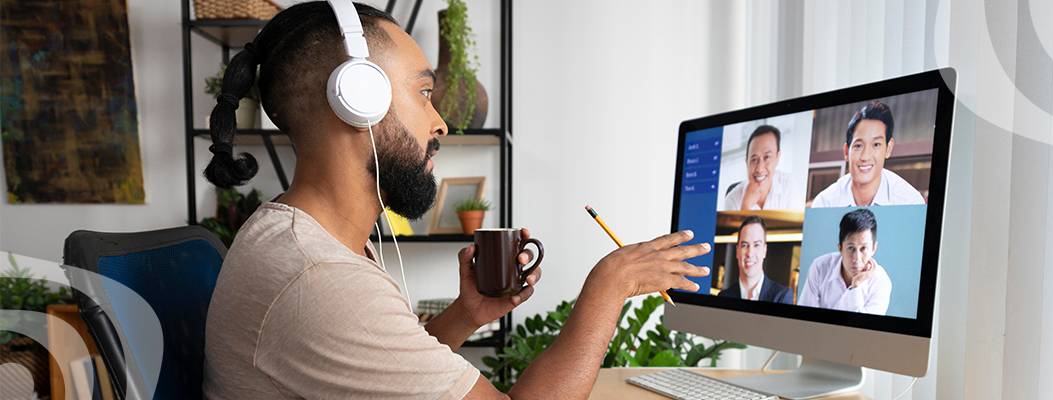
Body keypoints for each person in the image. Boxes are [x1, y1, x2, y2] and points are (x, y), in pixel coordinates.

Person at [200, 3, 711, 399]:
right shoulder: (318, 278)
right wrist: (610, 286)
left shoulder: (308, 242)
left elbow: (386, 374)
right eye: (424, 94)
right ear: (359, 100)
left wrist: (465, 315)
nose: (440, 121)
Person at [810, 101, 925, 207]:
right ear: (846, 152)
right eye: (858, 146)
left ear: (888, 148)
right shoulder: (825, 203)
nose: (865, 157)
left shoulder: (910, 203)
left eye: (876, 145)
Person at [797, 208, 892, 315]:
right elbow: (804, 315)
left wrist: (856, 285)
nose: (857, 259)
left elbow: (864, 329)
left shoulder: (880, 282)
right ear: (840, 248)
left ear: (874, 248)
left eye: (863, 248)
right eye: (851, 248)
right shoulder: (820, 267)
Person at [722, 125, 801, 211]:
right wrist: (745, 205)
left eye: (766, 157)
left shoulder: (789, 184)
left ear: (777, 158)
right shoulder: (732, 199)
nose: (759, 169)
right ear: (747, 162)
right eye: (754, 159)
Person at [717, 216, 794, 304]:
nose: (750, 253)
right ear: (737, 251)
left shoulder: (781, 296)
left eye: (756, 245)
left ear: (764, 250)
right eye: (745, 245)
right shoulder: (723, 297)